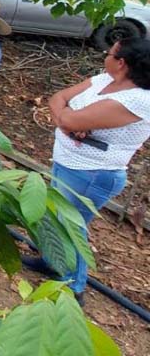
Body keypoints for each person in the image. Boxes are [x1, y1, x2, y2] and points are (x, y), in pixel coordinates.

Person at [42, 37, 150, 300]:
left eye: (109, 54)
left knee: (73, 226)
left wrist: (65, 118)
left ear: (121, 63)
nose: (105, 57)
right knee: (58, 217)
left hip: (92, 173)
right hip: (69, 163)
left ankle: (73, 287)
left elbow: (68, 115)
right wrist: (65, 120)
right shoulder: (104, 81)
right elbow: (58, 98)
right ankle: (52, 263)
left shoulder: (137, 100)